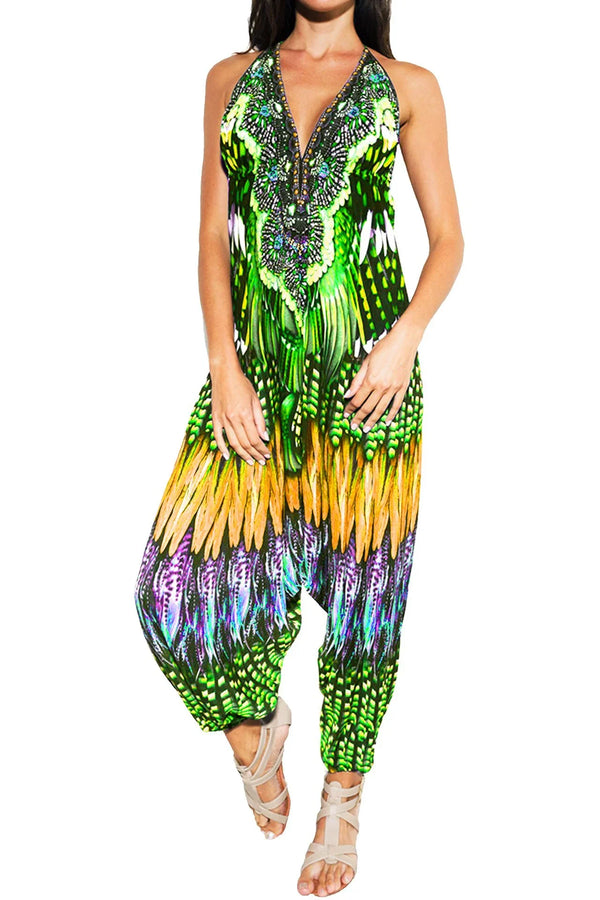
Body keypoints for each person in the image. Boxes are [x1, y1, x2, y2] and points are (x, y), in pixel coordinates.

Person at [134, 0, 464, 894]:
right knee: (170, 590)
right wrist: (222, 365)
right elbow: (211, 235)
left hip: (369, 387)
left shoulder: (407, 88)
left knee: (365, 602)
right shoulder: (231, 81)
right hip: (254, 384)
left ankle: (342, 804)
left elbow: (449, 242)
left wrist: (403, 342)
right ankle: (256, 737)